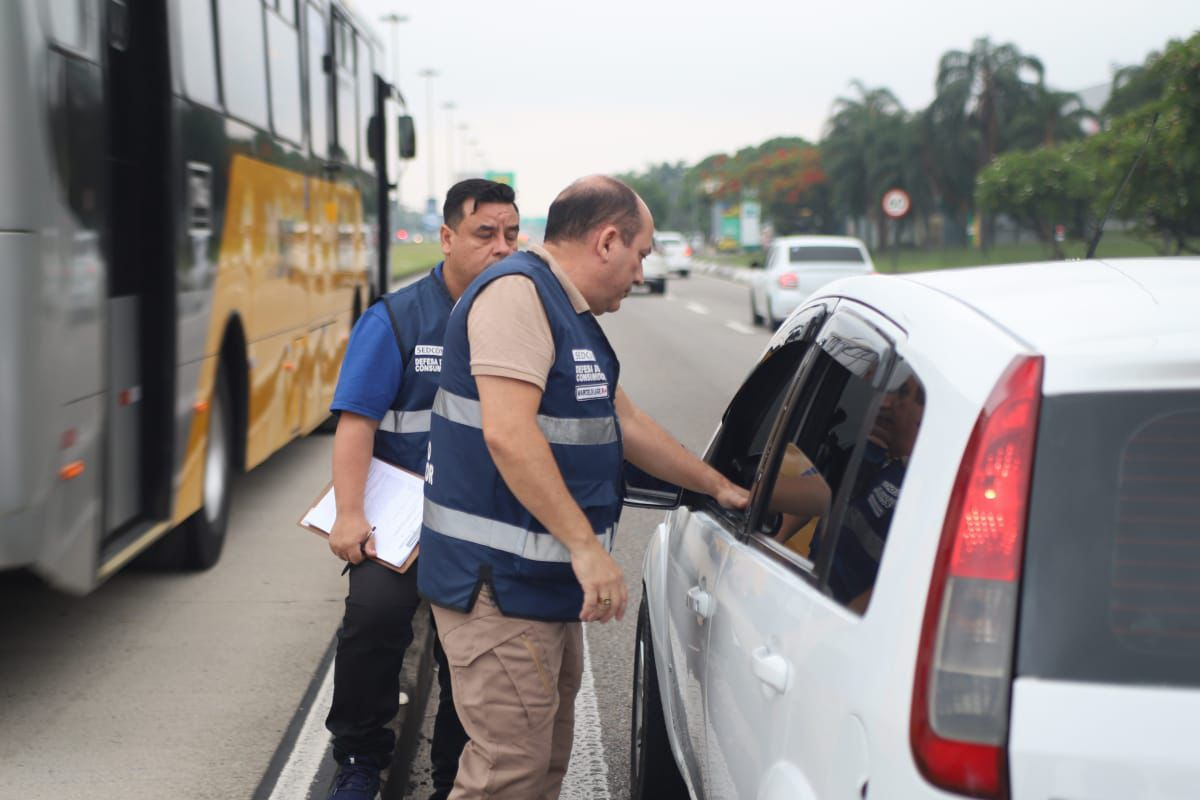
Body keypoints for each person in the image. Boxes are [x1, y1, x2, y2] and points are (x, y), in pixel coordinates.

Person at [417, 175, 749, 799]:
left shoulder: (566, 311)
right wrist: (588, 549)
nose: (642, 273)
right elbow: (509, 435)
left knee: (538, 768)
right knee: (505, 773)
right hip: (495, 584)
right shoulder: (518, 298)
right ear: (607, 240)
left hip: (533, 586)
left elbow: (624, 421)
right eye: (641, 254)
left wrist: (719, 487)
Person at [323, 179, 520, 800]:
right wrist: (350, 515)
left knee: (471, 649)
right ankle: (358, 757)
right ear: (447, 237)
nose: (501, 248)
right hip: (400, 519)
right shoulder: (398, 319)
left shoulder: (521, 319)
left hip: (481, 521)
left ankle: (452, 776)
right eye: (485, 234)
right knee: (374, 618)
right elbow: (356, 424)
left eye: (512, 235)